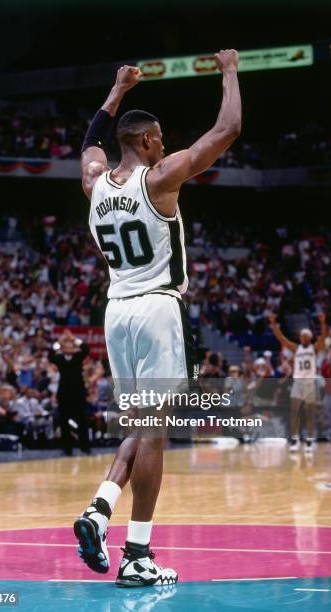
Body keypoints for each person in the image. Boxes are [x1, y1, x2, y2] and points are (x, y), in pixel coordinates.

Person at [74, 50, 241, 587]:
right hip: (156, 308)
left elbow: (89, 144)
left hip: (115, 313)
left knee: (141, 427)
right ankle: (138, 553)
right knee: (153, 435)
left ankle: (99, 511)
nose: (165, 144)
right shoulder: (160, 179)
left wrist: (117, 88)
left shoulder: (96, 184)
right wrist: (230, 71)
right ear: (146, 142)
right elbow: (227, 129)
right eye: (160, 137)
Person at [268, 312, 327, 453]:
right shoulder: (296, 348)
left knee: (309, 412)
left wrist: (323, 323)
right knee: (294, 411)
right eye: (302, 336)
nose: (303, 338)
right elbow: (281, 338)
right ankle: (295, 440)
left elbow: (324, 337)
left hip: (309, 383)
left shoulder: (315, 348)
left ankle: (309, 441)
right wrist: (273, 323)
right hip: (298, 382)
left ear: (309, 338)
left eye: (305, 336)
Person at [48, 330, 90, 456]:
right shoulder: (59, 358)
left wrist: (74, 339)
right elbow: (50, 355)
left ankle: (85, 447)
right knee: (64, 421)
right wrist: (58, 343)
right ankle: (67, 448)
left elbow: (86, 349)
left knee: (82, 420)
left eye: (71, 346)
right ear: (62, 348)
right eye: (66, 346)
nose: (69, 348)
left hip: (78, 393)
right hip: (64, 393)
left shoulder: (78, 357)